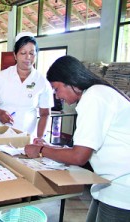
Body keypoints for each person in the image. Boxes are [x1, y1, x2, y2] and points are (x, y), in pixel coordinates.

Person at [24, 55, 130, 222]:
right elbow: (84, 148)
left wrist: (42, 150)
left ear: (69, 81)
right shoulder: (95, 94)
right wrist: (50, 147)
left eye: (56, 89)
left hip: (123, 186)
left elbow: (79, 156)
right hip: (109, 182)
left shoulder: (94, 97)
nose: (57, 96)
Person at [0, 32, 53, 140]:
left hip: (26, 138)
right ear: (15, 55)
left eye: (32, 53)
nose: (28, 57)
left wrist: (40, 138)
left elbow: (45, 114)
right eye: (23, 53)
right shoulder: (2, 77)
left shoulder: (42, 81)